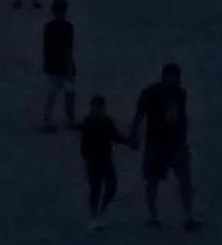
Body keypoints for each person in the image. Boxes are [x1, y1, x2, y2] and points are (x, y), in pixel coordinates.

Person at [128, 62, 198, 230]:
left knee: (184, 180)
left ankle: (188, 216)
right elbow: (139, 115)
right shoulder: (151, 94)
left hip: (176, 143)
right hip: (157, 144)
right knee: (154, 181)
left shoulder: (180, 94)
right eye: (172, 77)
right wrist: (133, 134)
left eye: (176, 78)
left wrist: (184, 138)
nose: (174, 81)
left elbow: (182, 117)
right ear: (165, 77)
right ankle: (153, 216)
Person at [76, 95, 134, 230]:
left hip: (106, 159)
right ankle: (94, 215)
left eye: (100, 107)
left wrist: (128, 142)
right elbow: (84, 144)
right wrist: (87, 158)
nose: (98, 110)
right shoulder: (88, 123)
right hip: (93, 160)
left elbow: (115, 135)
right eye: (96, 107)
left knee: (112, 186)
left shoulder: (106, 122)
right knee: (96, 188)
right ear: (92, 108)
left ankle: (101, 209)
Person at [41, 0, 76, 130]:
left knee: (54, 95)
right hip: (61, 66)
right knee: (67, 94)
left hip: (53, 66)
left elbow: (46, 48)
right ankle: (68, 120)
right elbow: (67, 49)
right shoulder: (68, 27)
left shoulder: (49, 27)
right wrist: (69, 67)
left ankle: (49, 120)